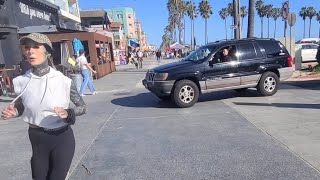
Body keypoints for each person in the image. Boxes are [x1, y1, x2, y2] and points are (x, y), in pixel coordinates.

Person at [1, 33, 87, 180]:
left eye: (35, 47)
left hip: (61, 138)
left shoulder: (64, 81)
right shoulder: (21, 81)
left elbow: (83, 107)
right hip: (37, 138)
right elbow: (22, 106)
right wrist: (14, 112)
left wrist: (68, 113)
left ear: (46, 51)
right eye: (27, 47)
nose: (30, 51)